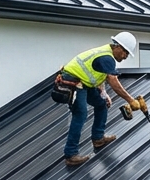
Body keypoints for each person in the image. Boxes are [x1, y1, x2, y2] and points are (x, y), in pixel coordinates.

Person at [55, 32, 143, 166]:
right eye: (125, 52)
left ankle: (98, 138)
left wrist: (103, 93)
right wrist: (131, 100)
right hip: (72, 81)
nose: (125, 56)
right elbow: (114, 81)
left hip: (85, 83)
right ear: (118, 47)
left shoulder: (107, 54)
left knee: (102, 104)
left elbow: (99, 74)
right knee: (81, 114)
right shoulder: (107, 57)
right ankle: (70, 154)